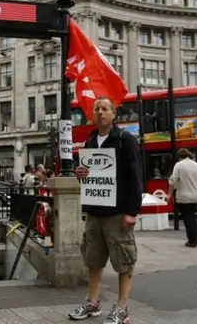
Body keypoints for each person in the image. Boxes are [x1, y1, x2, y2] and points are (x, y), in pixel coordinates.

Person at [70, 97, 143, 324]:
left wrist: (132, 211)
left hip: (117, 212)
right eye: (96, 109)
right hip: (94, 213)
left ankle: (122, 308)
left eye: (105, 109)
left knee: (124, 260)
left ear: (113, 114)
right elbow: (87, 174)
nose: (100, 112)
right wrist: (79, 172)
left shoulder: (125, 140)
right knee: (93, 260)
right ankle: (92, 302)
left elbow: (135, 176)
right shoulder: (90, 141)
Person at [167, 149, 197, 247]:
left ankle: (192, 239)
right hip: (195, 196)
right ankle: (196, 236)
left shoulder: (179, 165)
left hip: (183, 196)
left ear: (179, 156)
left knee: (187, 217)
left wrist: (169, 194)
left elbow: (172, 181)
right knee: (192, 215)